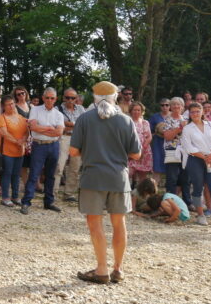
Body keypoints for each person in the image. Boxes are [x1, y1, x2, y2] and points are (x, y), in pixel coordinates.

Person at [70, 81, 141, 284]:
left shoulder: (84, 120)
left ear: (94, 97)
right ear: (115, 97)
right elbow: (136, 153)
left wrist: (91, 151)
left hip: (93, 177)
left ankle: (102, 269)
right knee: (119, 223)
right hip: (118, 178)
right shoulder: (126, 121)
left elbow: (73, 151)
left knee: (95, 223)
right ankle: (118, 269)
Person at [20, 87, 64, 215]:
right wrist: (50, 128)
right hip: (39, 145)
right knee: (34, 174)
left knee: (50, 175)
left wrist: (41, 128)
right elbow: (32, 127)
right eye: (47, 97)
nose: (49, 100)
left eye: (52, 98)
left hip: (54, 146)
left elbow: (59, 132)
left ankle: (48, 202)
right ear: (43, 98)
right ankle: (26, 202)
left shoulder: (58, 114)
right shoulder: (35, 110)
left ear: (55, 99)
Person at [180, 102, 211, 226]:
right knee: (197, 188)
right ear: (189, 114)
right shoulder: (187, 128)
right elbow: (188, 147)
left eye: (197, 111)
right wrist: (205, 157)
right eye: (192, 112)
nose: (195, 114)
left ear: (202, 112)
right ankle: (200, 215)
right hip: (195, 160)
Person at [0, 95, 28, 207]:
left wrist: (23, 140)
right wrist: (17, 141)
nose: (11, 106)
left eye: (12, 103)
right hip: (6, 151)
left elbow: (26, 131)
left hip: (19, 151)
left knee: (16, 174)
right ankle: (5, 197)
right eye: (8, 104)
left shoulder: (21, 117)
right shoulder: (1, 118)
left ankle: (15, 196)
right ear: (3, 106)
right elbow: (4, 133)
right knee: (7, 173)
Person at [158, 97, 190, 207]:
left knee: (185, 179)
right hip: (172, 152)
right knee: (172, 179)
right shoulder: (167, 120)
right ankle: (170, 203)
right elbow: (167, 137)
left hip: (185, 153)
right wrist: (180, 128)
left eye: (178, 104)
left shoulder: (186, 120)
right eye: (174, 104)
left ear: (182, 107)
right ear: (170, 107)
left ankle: (187, 203)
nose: (176, 106)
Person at [54, 88, 85, 202]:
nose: (70, 100)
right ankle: (53, 192)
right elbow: (58, 125)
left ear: (76, 99)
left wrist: (68, 124)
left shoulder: (81, 109)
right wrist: (74, 125)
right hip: (64, 137)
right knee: (59, 166)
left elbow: (84, 124)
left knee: (75, 167)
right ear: (63, 98)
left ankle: (69, 193)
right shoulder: (58, 109)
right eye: (68, 97)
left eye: (73, 98)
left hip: (77, 139)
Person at [128, 102, 153, 183]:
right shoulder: (127, 121)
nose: (136, 112)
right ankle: (127, 193)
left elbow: (149, 137)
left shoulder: (145, 122)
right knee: (129, 173)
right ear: (131, 111)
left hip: (144, 152)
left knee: (143, 178)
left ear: (142, 111)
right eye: (134, 110)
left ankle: (140, 194)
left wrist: (142, 149)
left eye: (139, 110)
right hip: (131, 152)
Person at [149, 98, 169, 183]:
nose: (164, 107)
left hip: (170, 144)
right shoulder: (155, 117)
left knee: (171, 167)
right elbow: (149, 131)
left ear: (170, 106)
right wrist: (157, 132)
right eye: (162, 105)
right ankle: (154, 189)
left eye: (167, 105)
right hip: (158, 143)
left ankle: (170, 190)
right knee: (157, 166)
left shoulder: (174, 116)